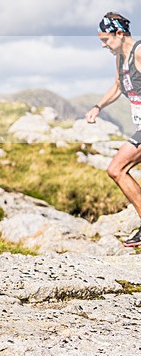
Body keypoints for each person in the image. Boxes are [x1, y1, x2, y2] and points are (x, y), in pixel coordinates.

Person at [86, 12, 141, 246]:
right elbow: (118, 86)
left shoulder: (139, 52)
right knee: (117, 169)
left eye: (105, 39)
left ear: (119, 33)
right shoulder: (120, 58)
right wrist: (97, 107)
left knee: (116, 168)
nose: (103, 45)